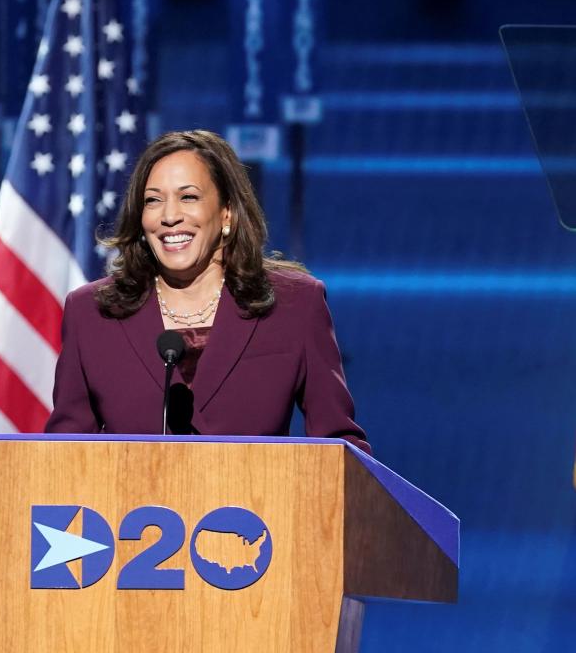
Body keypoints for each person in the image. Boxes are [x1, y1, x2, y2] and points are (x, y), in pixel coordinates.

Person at [45, 129, 369, 453]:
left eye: (189, 197)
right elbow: (65, 456)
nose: (170, 217)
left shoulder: (295, 304)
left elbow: (339, 448)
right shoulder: (92, 314)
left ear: (226, 212)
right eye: (153, 200)